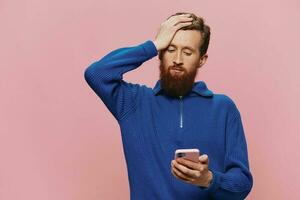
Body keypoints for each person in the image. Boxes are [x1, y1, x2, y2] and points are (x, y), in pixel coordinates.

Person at [84, 12, 253, 200]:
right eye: (170, 49)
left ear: (201, 59)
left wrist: (208, 179)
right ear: (160, 54)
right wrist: (153, 45)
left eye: (187, 52)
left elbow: (242, 185)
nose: (178, 59)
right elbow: (96, 73)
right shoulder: (134, 103)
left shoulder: (223, 108)